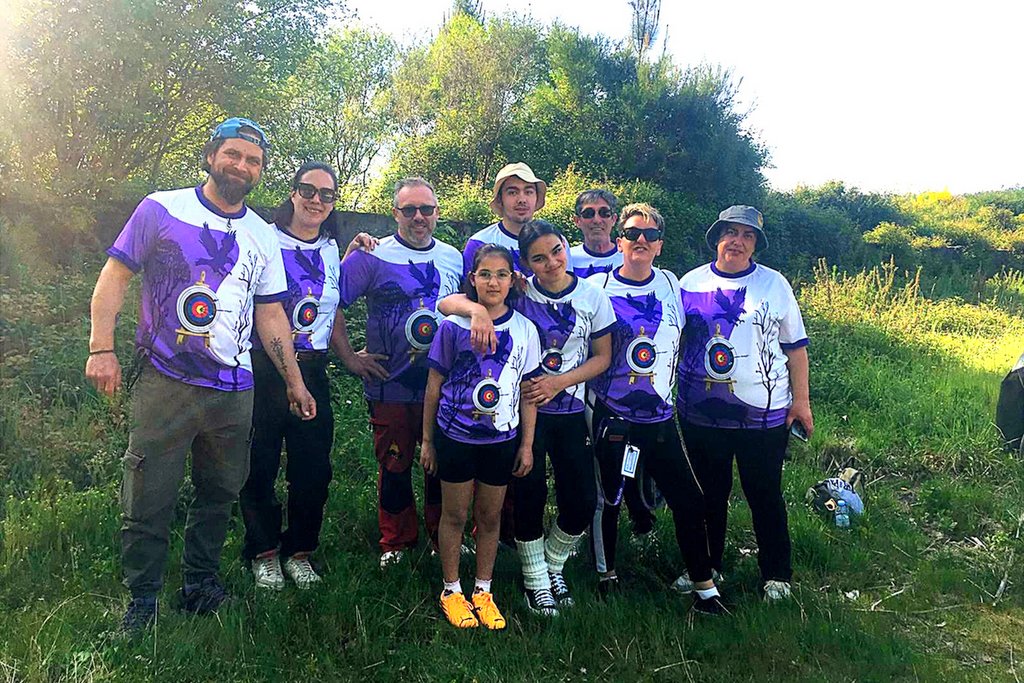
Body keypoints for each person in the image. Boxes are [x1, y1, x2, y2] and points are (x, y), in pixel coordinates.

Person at [85, 117, 316, 632]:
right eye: (232, 154)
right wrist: (101, 348)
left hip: (233, 390)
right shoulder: (161, 208)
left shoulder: (262, 234)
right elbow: (114, 277)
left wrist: (295, 381)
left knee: (220, 492)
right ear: (211, 156)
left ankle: (200, 585)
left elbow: (271, 314)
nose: (242, 166)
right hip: (165, 381)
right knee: (149, 493)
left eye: (253, 160)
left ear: (260, 171)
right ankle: (142, 599)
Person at [439, 220, 615, 615]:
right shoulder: (519, 292)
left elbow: (603, 357)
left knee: (581, 499)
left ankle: (552, 564)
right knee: (529, 496)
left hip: (570, 410)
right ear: (526, 264)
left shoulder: (592, 296)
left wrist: (558, 382)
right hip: (523, 414)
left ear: (566, 246)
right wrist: (476, 311)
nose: (551, 262)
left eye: (556, 251)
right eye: (538, 258)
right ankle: (535, 582)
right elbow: (447, 304)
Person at [585, 202, 726, 614]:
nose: (641, 240)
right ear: (620, 241)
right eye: (632, 233)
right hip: (612, 414)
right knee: (609, 499)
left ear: (660, 245)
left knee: (689, 499)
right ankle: (606, 577)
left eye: (649, 235)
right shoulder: (597, 288)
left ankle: (704, 589)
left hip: (661, 416)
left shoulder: (669, 282)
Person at [675, 205, 812, 601]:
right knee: (708, 494)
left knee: (764, 493)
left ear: (756, 244)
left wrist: (801, 401)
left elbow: (796, 348)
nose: (737, 241)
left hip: (764, 414)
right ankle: (707, 567)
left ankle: (776, 574)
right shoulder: (689, 283)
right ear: (717, 238)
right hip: (700, 413)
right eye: (730, 232)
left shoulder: (774, 284)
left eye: (747, 235)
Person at [333, 177, 463, 568]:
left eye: (426, 209)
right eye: (409, 210)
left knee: (442, 465)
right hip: (389, 385)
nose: (419, 217)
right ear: (395, 214)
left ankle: (443, 537)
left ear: (437, 213)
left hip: (442, 386)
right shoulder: (372, 255)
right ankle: (397, 543)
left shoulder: (454, 257)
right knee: (395, 464)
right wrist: (349, 358)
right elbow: (330, 301)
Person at [421, 244, 541, 630]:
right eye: (485, 274)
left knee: (489, 518)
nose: (493, 282)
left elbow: (528, 392)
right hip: (456, 438)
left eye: (501, 274)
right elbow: (434, 386)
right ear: (472, 279)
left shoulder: (525, 330)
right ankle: (451, 590)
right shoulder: (452, 326)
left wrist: (526, 444)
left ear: (513, 280)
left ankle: (483, 591)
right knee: (455, 515)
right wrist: (428, 440)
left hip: (500, 441)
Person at [239, 162, 346, 590]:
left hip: (313, 368)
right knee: (259, 464)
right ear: (293, 192)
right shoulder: (263, 238)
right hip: (264, 368)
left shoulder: (333, 248)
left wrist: (350, 358)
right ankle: (263, 552)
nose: (316, 200)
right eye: (308, 190)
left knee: (313, 468)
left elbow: (332, 310)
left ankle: (299, 551)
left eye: (327, 194)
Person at [463, 162, 569, 276]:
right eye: (513, 192)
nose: (522, 200)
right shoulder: (479, 243)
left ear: (536, 197)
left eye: (528, 192)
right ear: (500, 199)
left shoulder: (556, 243)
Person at [570, 189, 623, 278]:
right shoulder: (567, 260)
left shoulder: (628, 259)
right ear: (577, 221)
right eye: (588, 213)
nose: (597, 220)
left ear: (614, 219)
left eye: (604, 213)